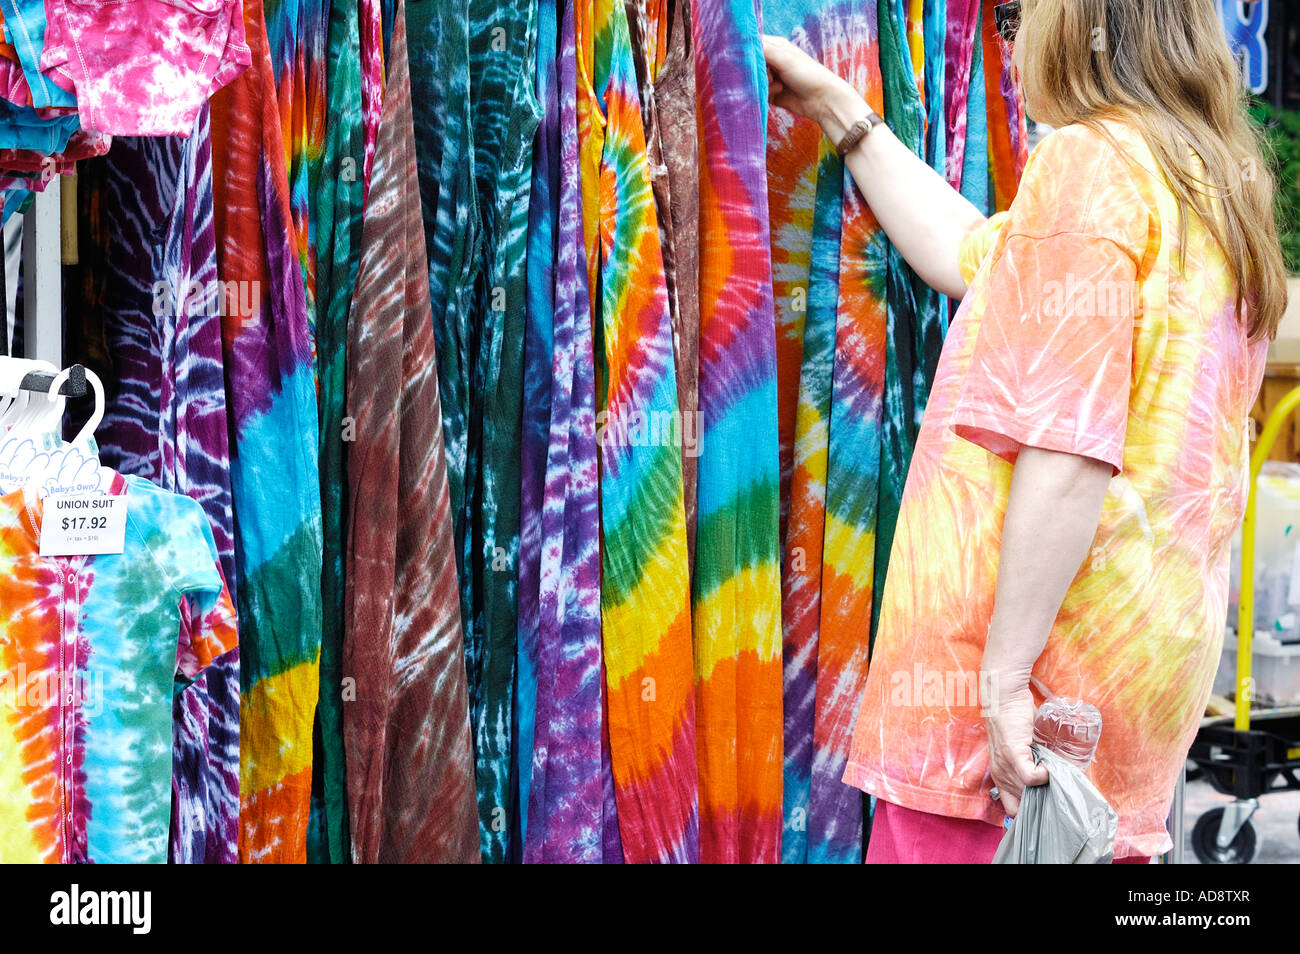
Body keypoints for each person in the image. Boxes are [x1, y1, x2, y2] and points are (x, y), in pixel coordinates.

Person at [763, 0, 1287, 863]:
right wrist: (838, 112)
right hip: (1121, 698)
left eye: (1017, 11)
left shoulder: (1089, 164)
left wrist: (1003, 684)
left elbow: (1070, 446)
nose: (1009, 36)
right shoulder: (1210, 182)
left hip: (1019, 716)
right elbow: (966, 251)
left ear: (1084, 19)